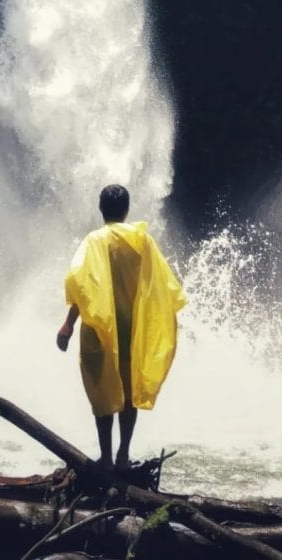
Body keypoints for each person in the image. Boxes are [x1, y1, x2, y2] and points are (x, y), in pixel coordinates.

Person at [57, 184, 186, 469]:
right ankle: (123, 455)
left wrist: (67, 326)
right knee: (128, 396)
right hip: (133, 331)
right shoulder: (143, 241)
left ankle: (105, 456)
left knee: (103, 393)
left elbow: (83, 287)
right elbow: (163, 286)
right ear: (126, 210)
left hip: (99, 330)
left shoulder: (94, 240)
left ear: (101, 208)